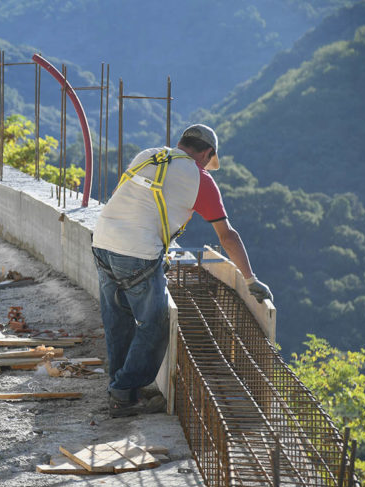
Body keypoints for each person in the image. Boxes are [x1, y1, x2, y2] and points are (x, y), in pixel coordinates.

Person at [91, 124, 272, 418]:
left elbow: (120, 196)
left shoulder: (149, 156)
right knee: (156, 323)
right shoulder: (201, 180)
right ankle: (124, 394)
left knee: (118, 319)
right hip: (137, 253)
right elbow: (227, 236)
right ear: (208, 153)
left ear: (181, 143)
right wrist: (250, 279)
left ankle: (122, 388)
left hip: (102, 242)